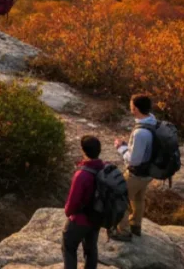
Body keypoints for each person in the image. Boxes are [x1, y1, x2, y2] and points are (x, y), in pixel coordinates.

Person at [110, 94, 157, 241]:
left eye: (131, 106)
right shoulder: (153, 121)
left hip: (137, 173)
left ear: (135, 109)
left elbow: (134, 160)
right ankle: (136, 225)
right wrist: (129, 146)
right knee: (138, 198)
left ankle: (123, 231)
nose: (130, 108)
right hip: (149, 172)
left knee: (119, 197)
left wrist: (121, 148)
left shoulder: (140, 132)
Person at [63, 136, 104, 269]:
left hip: (80, 220)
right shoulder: (104, 169)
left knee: (69, 246)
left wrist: (67, 212)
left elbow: (72, 203)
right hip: (97, 217)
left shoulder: (82, 175)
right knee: (91, 249)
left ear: (83, 150)